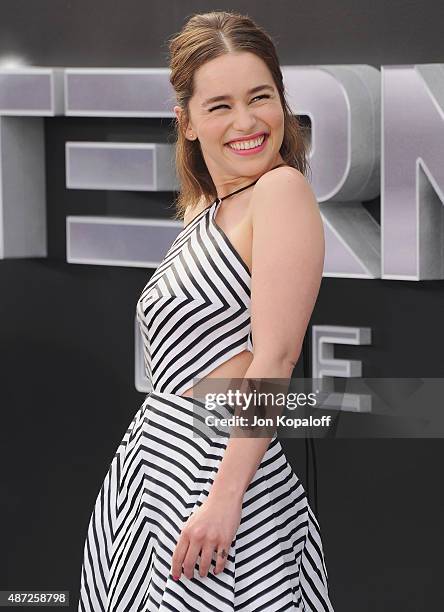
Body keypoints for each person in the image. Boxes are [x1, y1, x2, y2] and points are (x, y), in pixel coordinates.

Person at [78, 10, 334, 612]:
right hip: (148, 486)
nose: (246, 122)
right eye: (220, 105)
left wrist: (225, 500)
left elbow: (275, 355)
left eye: (260, 97)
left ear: (281, 101)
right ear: (186, 121)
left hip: (223, 490)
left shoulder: (281, 191)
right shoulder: (202, 212)